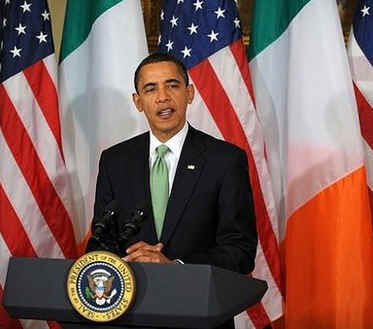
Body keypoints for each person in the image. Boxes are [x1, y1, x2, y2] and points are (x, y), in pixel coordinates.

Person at [87, 53, 257, 275]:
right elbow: (101, 243)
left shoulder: (225, 160)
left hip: (198, 302)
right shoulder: (115, 161)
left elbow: (240, 251)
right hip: (131, 301)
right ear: (138, 102)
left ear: (189, 93)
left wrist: (175, 266)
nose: (162, 97)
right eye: (150, 89)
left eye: (172, 86)